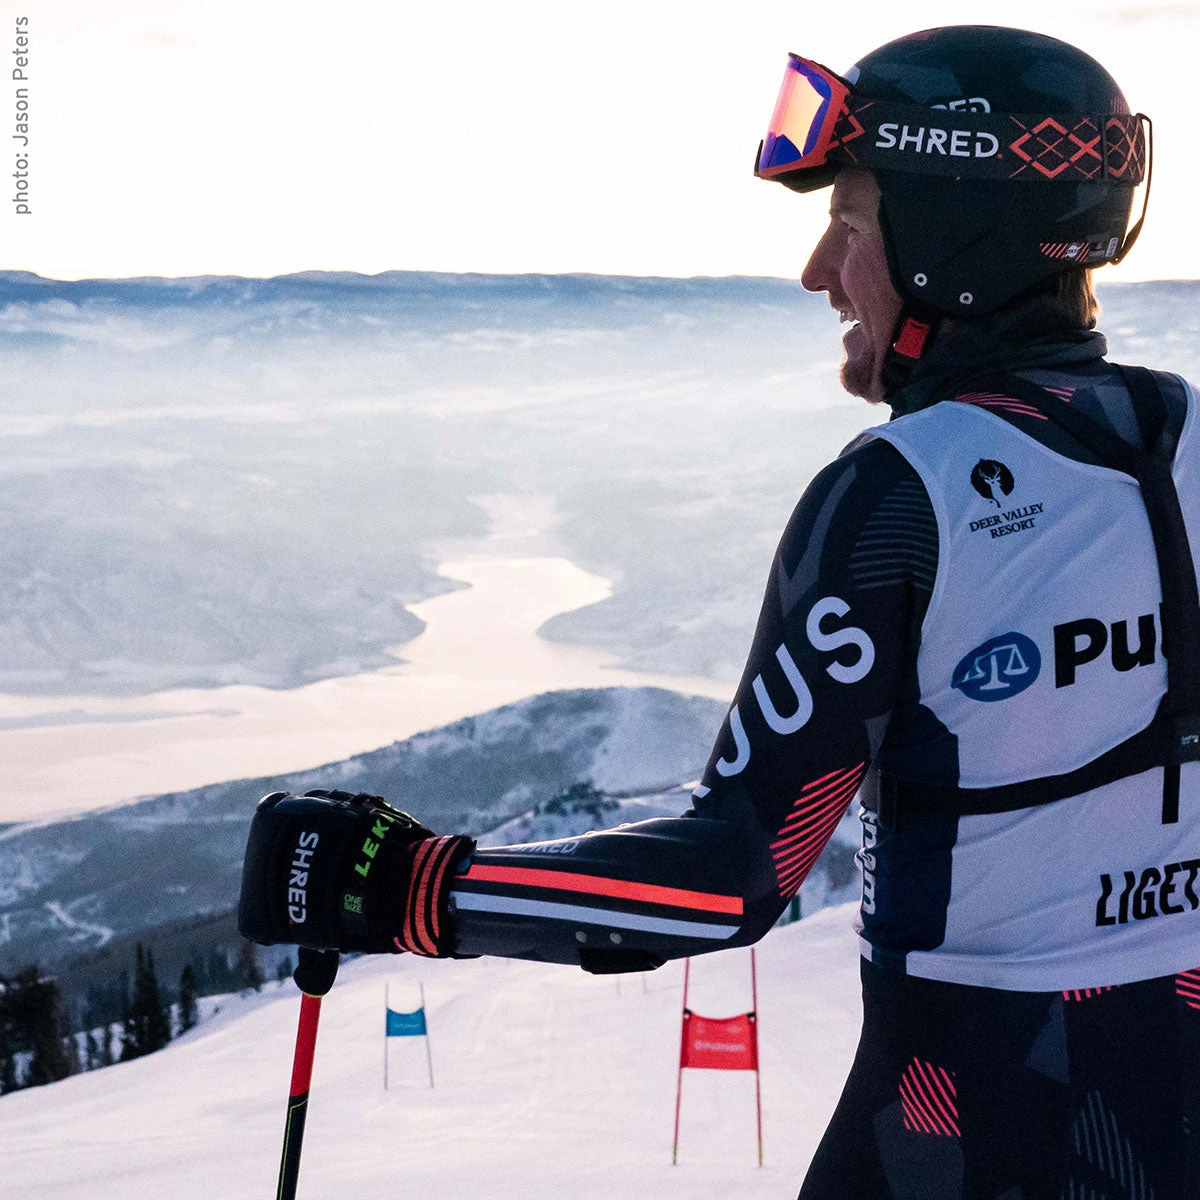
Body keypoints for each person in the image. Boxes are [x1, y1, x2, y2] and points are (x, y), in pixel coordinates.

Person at [238, 26, 1200, 1199]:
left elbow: (727, 879)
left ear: (954, 240)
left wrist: (405, 888)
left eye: (851, 224)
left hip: (977, 1121)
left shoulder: (904, 497)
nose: (819, 271)